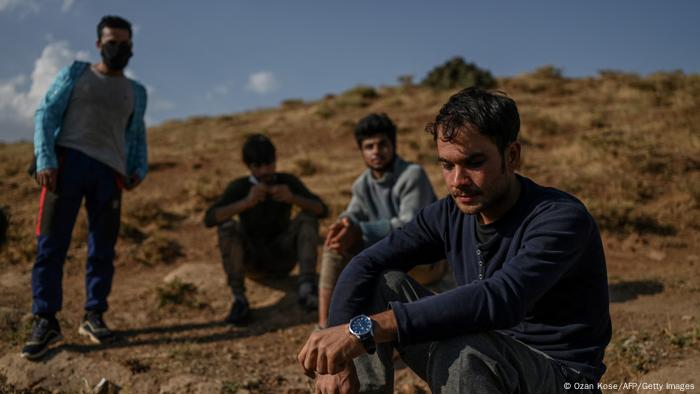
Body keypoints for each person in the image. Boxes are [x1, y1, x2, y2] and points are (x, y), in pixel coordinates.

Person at [298, 87, 612, 393]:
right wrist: (337, 349)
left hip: (562, 376)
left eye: (474, 163)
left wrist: (366, 330)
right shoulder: (449, 213)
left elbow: (502, 298)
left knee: (465, 350)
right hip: (484, 356)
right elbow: (366, 262)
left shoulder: (560, 218)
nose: (458, 182)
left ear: (512, 155)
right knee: (381, 283)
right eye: (447, 166)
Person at [21, 15, 148, 360]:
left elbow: (135, 134)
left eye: (124, 43)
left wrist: (139, 167)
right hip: (67, 165)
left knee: (102, 248)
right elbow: (45, 114)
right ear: (98, 43)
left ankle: (94, 315)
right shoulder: (76, 73)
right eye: (111, 41)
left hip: (110, 173)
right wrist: (45, 158)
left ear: (131, 46)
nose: (118, 48)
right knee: (51, 244)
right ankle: (45, 319)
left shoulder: (136, 91)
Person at [317, 113, 437, 329]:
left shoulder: (412, 175)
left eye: (382, 144)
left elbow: (412, 226)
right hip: (388, 254)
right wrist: (342, 225)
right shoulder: (361, 184)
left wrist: (360, 230)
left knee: (383, 271)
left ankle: (390, 332)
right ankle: (325, 327)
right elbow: (353, 213)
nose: (376, 152)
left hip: (425, 261)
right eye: (369, 146)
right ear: (361, 151)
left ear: (393, 144)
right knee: (334, 246)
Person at [204, 134, 328, 324]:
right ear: (248, 166)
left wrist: (293, 197)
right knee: (227, 226)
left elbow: (322, 209)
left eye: (268, 164)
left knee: (307, 217)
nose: (264, 170)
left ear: (275, 159)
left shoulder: (287, 181)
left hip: (283, 256)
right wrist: (246, 203)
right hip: (252, 261)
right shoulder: (240, 186)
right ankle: (239, 300)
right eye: (258, 166)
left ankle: (307, 290)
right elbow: (210, 218)